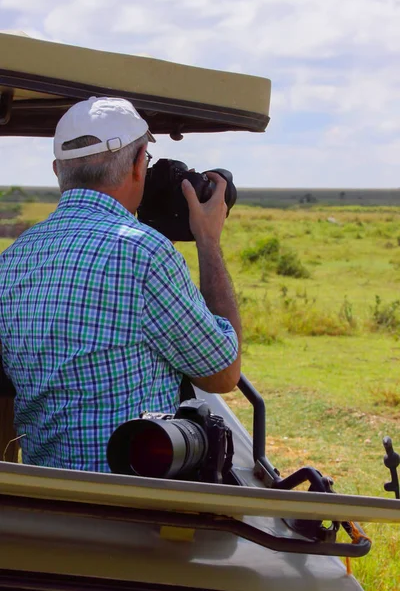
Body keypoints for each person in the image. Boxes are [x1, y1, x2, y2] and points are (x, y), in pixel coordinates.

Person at [0, 97, 241, 472]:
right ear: (137, 162)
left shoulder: (14, 258)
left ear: (57, 170)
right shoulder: (144, 253)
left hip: (45, 493)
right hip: (130, 496)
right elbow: (223, 373)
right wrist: (208, 241)